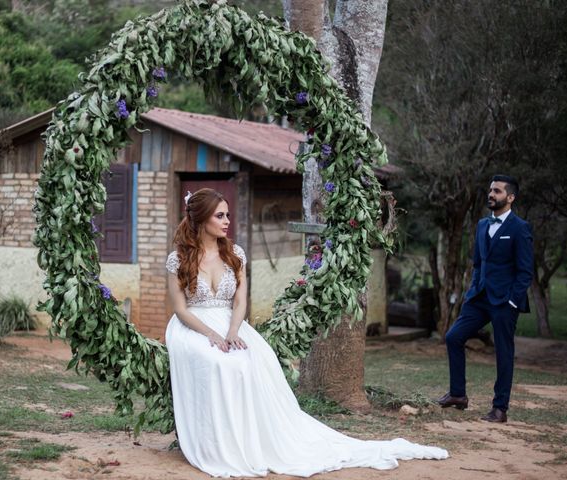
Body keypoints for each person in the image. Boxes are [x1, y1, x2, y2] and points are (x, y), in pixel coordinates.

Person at [165, 188, 448, 477]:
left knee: (249, 360)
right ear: (201, 219)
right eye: (220, 215)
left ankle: (251, 439)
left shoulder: (234, 254)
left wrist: (233, 330)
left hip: (230, 323)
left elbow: (240, 301)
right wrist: (211, 334)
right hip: (193, 326)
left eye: (228, 215)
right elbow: (180, 310)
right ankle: (218, 443)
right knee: (217, 362)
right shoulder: (178, 259)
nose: (227, 221)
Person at [438, 175, 534, 423]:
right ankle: (458, 395)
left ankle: (500, 409)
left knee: (503, 353)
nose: (491, 194)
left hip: (504, 301)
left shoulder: (520, 228)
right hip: (479, 297)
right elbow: (478, 263)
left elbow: (525, 271)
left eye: (498, 191)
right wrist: (473, 289)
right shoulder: (482, 225)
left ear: (510, 197)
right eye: (491, 190)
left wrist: (513, 300)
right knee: (453, 337)